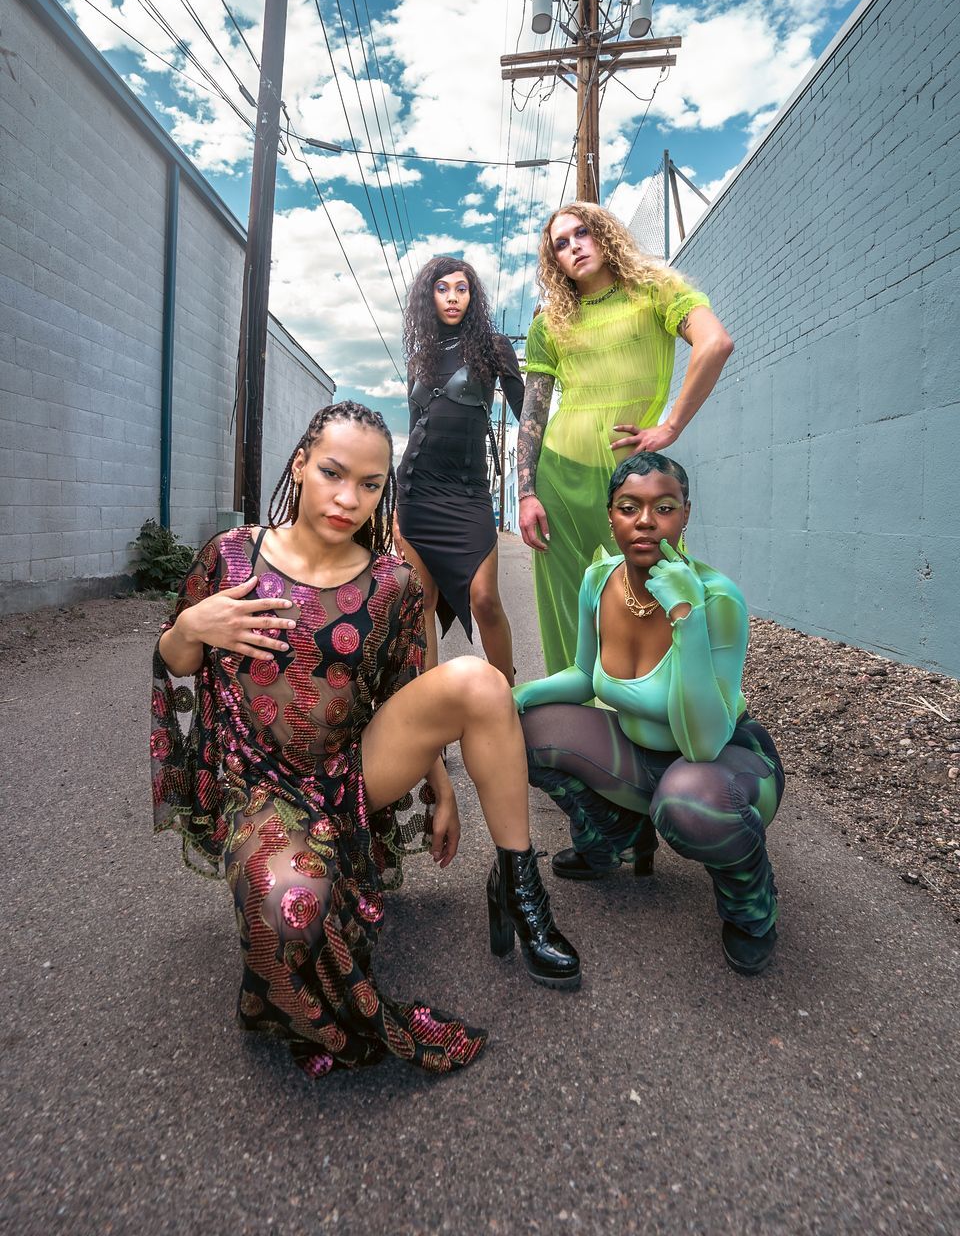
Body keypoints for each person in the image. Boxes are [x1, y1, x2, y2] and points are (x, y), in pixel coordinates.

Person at [151, 400, 580, 1081]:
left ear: (387, 490)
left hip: (350, 772)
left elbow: (411, 695)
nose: (349, 498)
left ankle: (518, 884)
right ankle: (301, 876)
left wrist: (442, 790)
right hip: (258, 785)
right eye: (332, 473)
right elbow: (176, 662)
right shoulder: (231, 556)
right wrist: (193, 624)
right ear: (300, 464)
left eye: (371, 484)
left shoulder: (393, 583)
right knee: (290, 912)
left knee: (480, 682)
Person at [513, 452, 784, 975]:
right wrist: (516, 696)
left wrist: (687, 614)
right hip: (639, 754)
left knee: (686, 803)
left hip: (722, 766)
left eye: (663, 507)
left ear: (685, 513)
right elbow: (582, 675)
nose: (645, 521)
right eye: (628, 507)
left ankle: (751, 903)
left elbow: (702, 742)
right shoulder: (598, 580)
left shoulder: (718, 597)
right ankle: (611, 836)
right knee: (519, 733)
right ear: (610, 515)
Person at [517, 202, 734, 675]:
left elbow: (715, 343)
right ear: (553, 260)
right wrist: (527, 491)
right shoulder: (547, 324)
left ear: (604, 235)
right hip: (560, 472)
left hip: (628, 476)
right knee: (565, 602)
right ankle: (572, 715)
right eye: (560, 243)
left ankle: (670, 696)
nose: (574, 246)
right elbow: (532, 413)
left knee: (666, 581)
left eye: (583, 233)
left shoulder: (655, 290)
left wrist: (672, 425)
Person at [397, 256, 525, 679]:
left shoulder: (493, 346)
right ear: (428, 296)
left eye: (461, 288)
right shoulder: (421, 357)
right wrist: (397, 507)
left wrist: (534, 480)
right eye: (442, 288)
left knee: (485, 597)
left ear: (473, 296)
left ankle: (508, 697)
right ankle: (430, 718)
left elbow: (529, 414)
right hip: (417, 493)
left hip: (468, 493)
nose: (452, 297)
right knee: (424, 605)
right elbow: (414, 427)